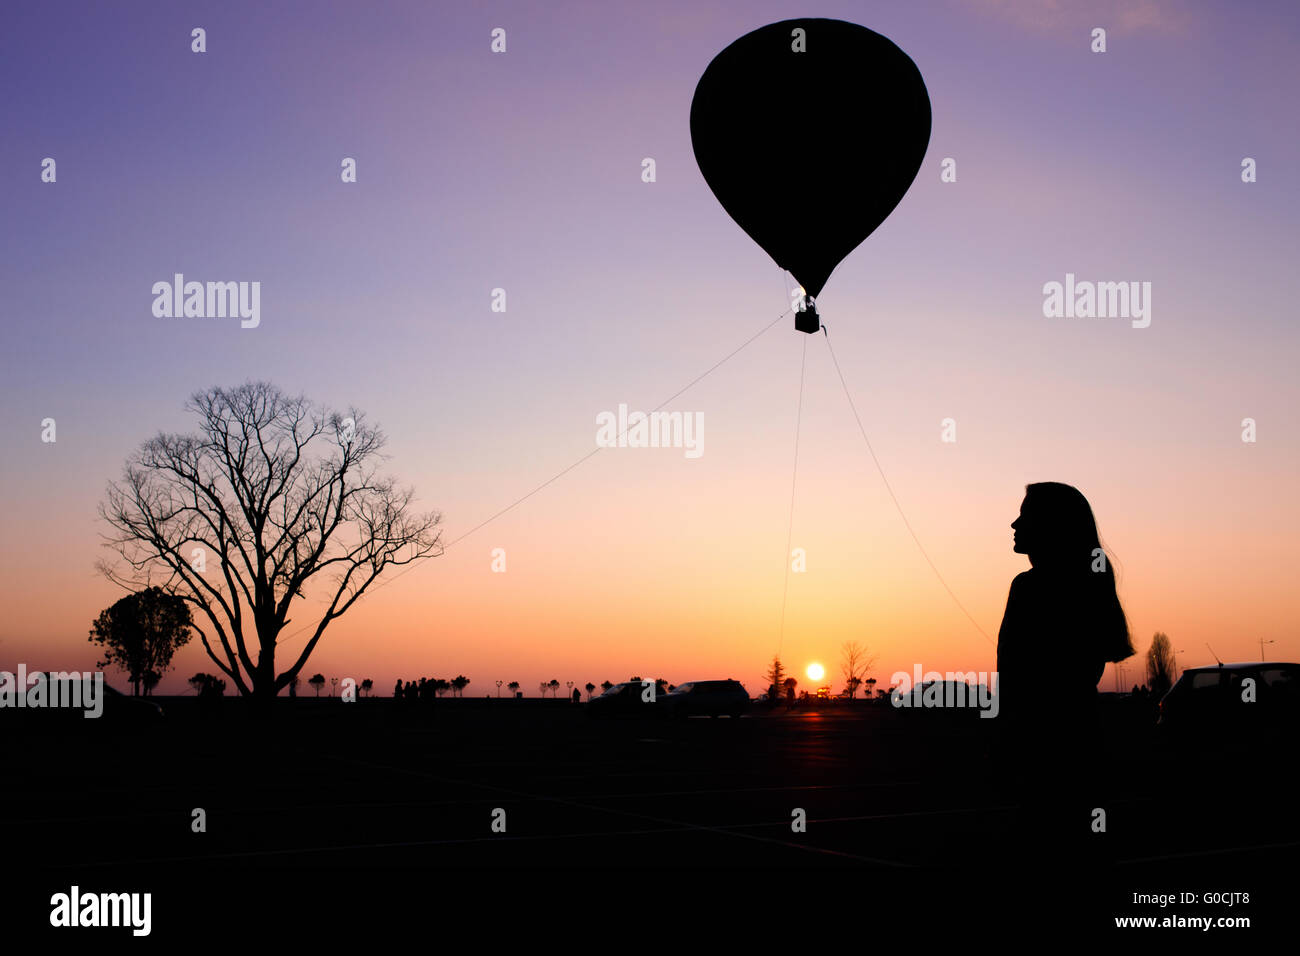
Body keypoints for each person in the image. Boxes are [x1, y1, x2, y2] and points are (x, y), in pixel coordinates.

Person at [996, 482, 1134, 863]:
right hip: (1082, 746)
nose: (1014, 523)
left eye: (1025, 516)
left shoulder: (1031, 588)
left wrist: (1009, 735)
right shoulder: (1089, 585)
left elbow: (1017, 679)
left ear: (1050, 526)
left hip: (1044, 752)